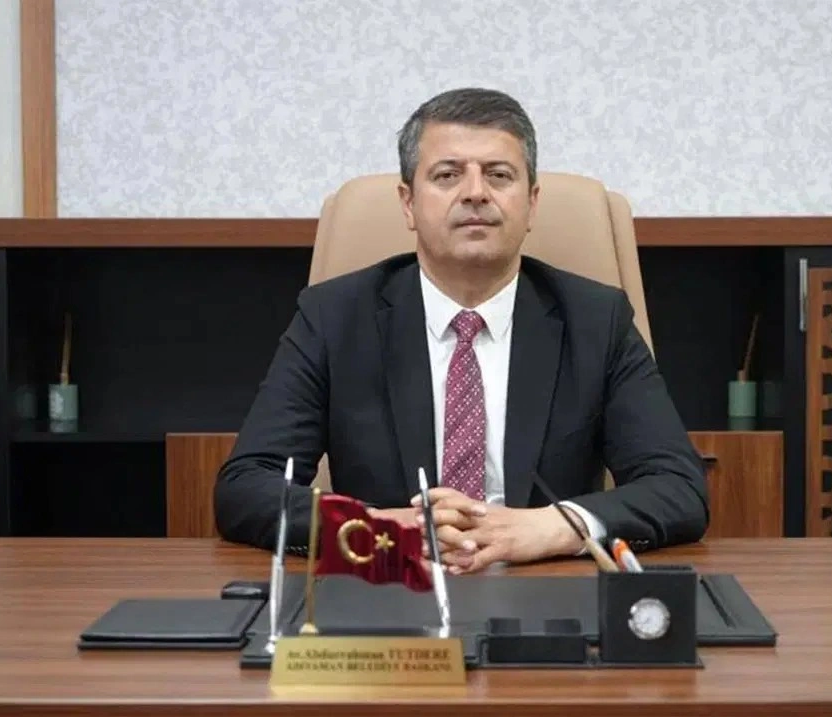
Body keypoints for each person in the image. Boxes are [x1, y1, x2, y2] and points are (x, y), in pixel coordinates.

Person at [214, 87, 708, 573]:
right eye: (448, 175)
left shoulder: (596, 320)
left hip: (547, 586)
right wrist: (378, 528)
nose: (475, 192)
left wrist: (551, 527)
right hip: (389, 587)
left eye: (499, 175)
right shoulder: (335, 317)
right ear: (408, 203)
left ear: (532, 203)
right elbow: (246, 487)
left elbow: (678, 487)